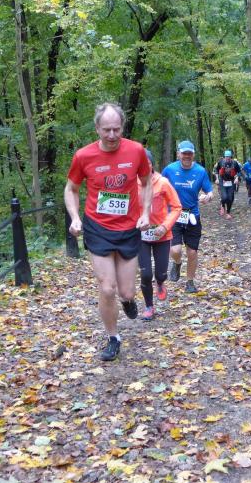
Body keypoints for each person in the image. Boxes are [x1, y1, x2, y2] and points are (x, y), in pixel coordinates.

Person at [64, 102, 152, 362]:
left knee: (126, 292)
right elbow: (71, 189)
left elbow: (147, 182)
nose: (112, 135)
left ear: (122, 127)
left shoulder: (136, 151)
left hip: (129, 227)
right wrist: (75, 218)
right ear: (97, 128)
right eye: (106, 130)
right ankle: (113, 338)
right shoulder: (83, 156)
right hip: (98, 227)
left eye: (116, 129)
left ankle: (128, 301)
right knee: (107, 288)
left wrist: (146, 213)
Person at [161, 140, 214, 293]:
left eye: (189, 153)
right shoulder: (169, 170)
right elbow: (159, 186)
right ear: (179, 154)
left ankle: (190, 282)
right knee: (175, 250)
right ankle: (177, 263)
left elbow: (209, 191)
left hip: (192, 215)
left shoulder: (200, 171)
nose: (187, 156)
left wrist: (207, 197)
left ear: (193, 155)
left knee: (192, 252)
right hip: (174, 214)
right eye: (184, 153)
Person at [137, 149, 182, 320]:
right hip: (140, 235)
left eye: (147, 164)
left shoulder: (163, 182)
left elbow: (176, 207)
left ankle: (161, 282)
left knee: (161, 273)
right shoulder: (132, 183)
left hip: (161, 234)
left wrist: (165, 226)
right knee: (145, 274)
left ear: (152, 164)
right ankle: (149, 306)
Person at [213, 150, 242, 219]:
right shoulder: (221, 162)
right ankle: (222, 205)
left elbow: (239, 171)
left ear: (231, 157)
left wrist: (237, 178)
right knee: (224, 197)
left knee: (230, 198)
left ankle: (228, 213)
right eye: (226, 157)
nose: (227, 158)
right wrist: (217, 178)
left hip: (231, 181)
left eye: (229, 157)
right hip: (222, 181)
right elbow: (216, 170)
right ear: (224, 157)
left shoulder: (234, 163)